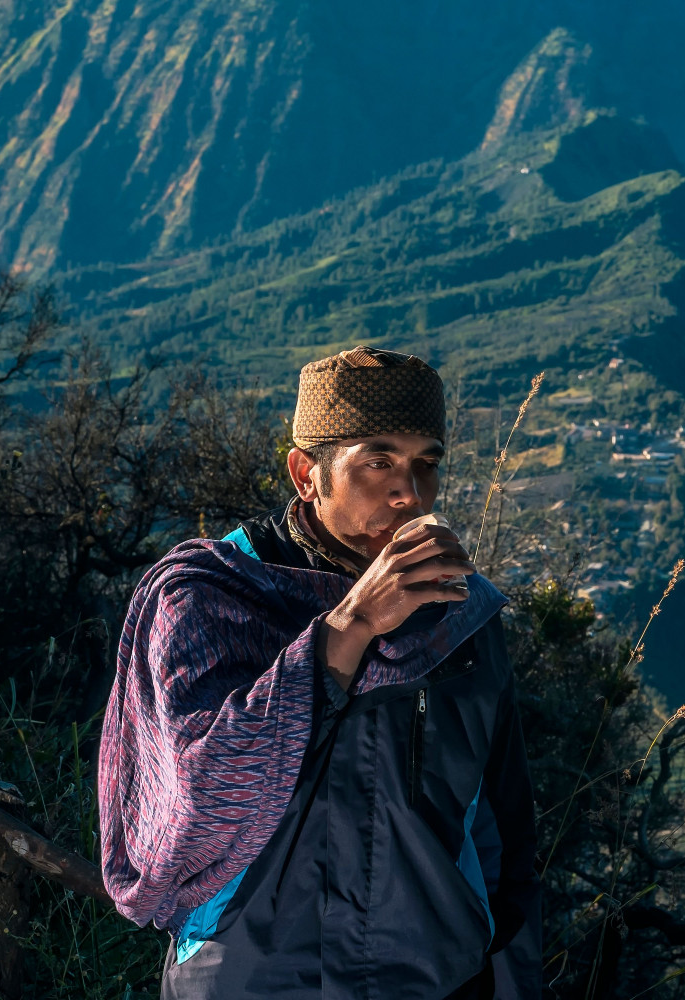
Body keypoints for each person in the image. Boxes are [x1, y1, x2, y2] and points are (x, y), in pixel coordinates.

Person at [98, 346, 541, 999]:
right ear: (307, 474)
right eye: (379, 461)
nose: (410, 492)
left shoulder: (460, 618)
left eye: (428, 463)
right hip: (250, 982)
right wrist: (350, 628)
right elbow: (199, 799)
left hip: (430, 980)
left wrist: (508, 975)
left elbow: (504, 829)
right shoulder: (208, 601)